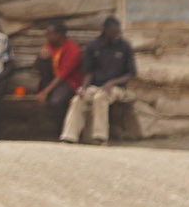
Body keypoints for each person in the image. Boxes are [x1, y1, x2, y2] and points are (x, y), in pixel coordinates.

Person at [61, 16, 137, 145]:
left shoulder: (125, 46)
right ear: (105, 30)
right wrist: (83, 88)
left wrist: (112, 83)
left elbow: (131, 73)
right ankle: (69, 136)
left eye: (118, 33)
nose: (116, 36)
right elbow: (88, 71)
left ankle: (100, 137)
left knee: (100, 98)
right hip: (95, 86)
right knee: (78, 99)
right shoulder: (93, 45)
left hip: (117, 88)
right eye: (114, 33)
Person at [34, 21, 84, 125]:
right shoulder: (49, 46)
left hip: (68, 83)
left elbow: (62, 75)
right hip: (50, 81)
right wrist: (41, 58)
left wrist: (45, 92)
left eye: (49, 33)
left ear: (59, 35)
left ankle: (61, 129)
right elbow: (37, 68)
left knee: (56, 101)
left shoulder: (72, 49)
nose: (46, 36)